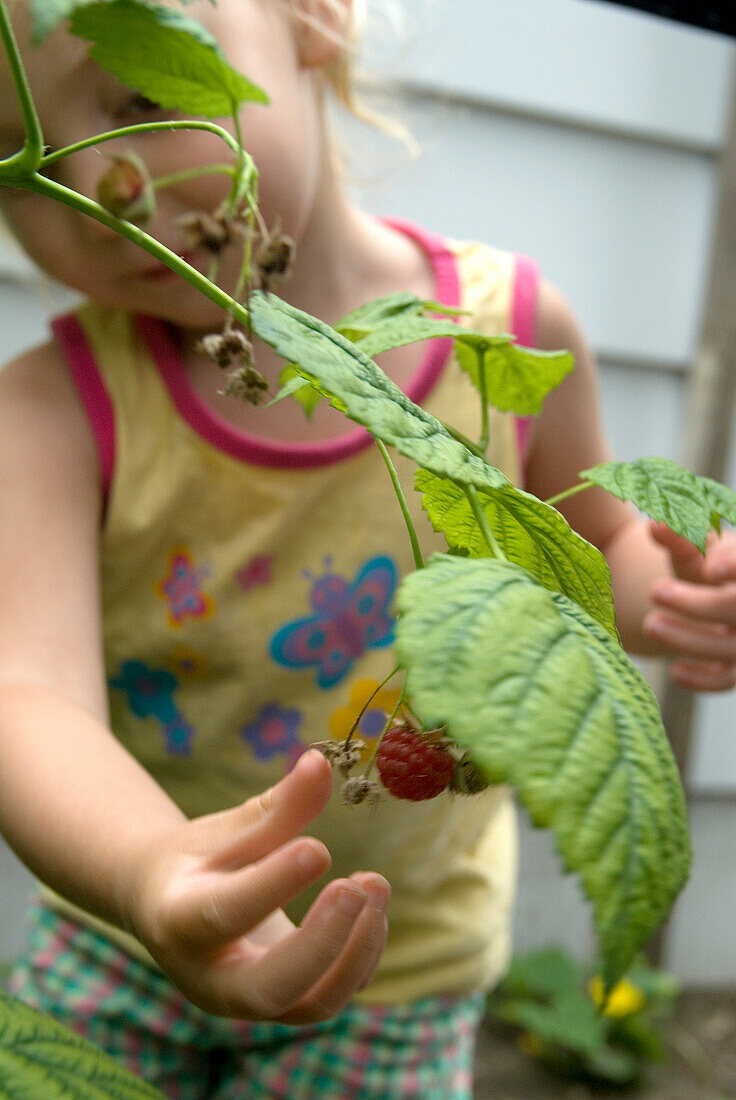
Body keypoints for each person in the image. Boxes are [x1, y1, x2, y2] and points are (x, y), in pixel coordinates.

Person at [1, 1, 735, 1097]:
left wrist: (673, 584)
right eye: (15, 160)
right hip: (122, 939)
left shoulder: (508, 338)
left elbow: (590, 552)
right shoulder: (53, 405)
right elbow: (25, 689)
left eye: (144, 100)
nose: (99, 192)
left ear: (313, 18)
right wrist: (146, 867)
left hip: (393, 966)